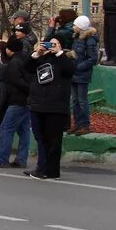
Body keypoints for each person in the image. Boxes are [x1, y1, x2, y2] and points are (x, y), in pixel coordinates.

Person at [23, 34, 76, 180]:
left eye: (54, 44)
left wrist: (59, 53)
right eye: (49, 44)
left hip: (56, 106)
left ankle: (51, 171)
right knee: (41, 138)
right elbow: (27, 68)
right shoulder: (43, 58)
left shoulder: (66, 59)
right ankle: (41, 167)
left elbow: (70, 70)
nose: (51, 47)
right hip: (38, 104)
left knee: (53, 140)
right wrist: (37, 53)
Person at [0, 36, 31, 168]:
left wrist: (26, 89)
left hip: (16, 100)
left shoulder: (14, 63)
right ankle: (21, 159)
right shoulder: (26, 59)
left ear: (10, 49)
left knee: (6, 128)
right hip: (27, 101)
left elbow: (15, 80)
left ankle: (2, 158)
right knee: (24, 131)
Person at [69, 14, 100, 135]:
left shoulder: (89, 40)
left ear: (81, 27)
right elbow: (76, 53)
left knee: (82, 101)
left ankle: (85, 125)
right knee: (75, 100)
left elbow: (92, 59)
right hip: (74, 74)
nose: (73, 27)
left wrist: (78, 67)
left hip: (82, 75)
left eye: (75, 25)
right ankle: (77, 123)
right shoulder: (76, 38)